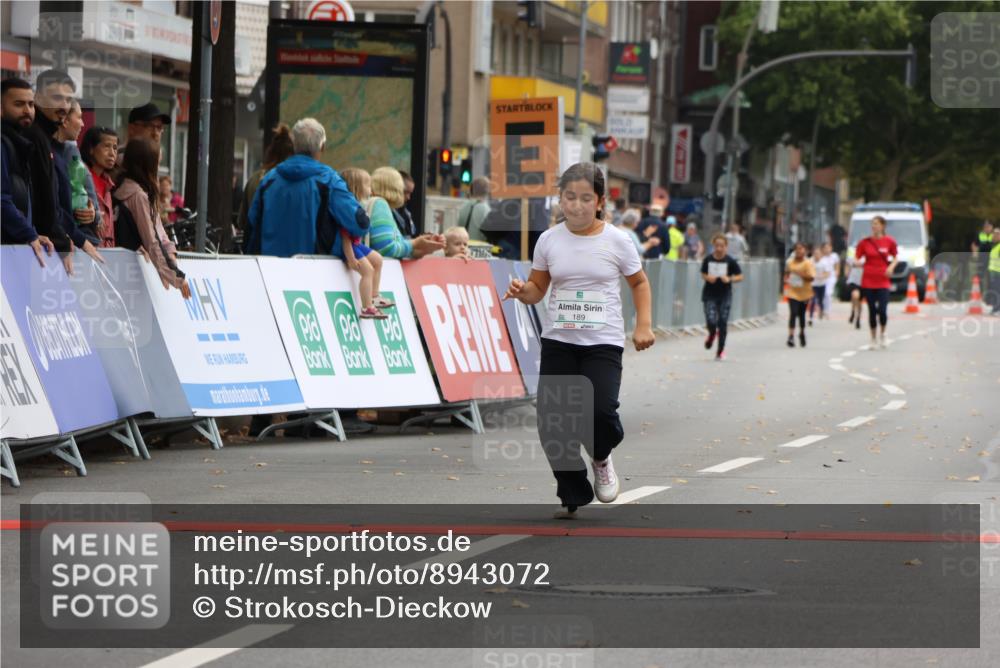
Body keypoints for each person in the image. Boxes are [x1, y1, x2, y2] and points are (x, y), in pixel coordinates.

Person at [502, 162, 655, 516]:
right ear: (560, 199)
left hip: (602, 343)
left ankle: (601, 455)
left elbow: (640, 283)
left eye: (586, 198)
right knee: (551, 421)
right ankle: (572, 490)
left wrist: (643, 325)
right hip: (559, 340)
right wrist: (522, 290)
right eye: (570, 197)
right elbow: (538, 288)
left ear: (600, 201)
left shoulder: (617, 240)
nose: (577, 205)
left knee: (600, 412)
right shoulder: (549, 240)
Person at [246, 118, 370, 258]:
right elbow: (361, 224)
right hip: (317, 270)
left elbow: (251, 227)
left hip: (270, 271)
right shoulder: (330, 181)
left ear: (293, 144)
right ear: (322, 146)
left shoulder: (268, 180)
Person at [24, 69, 102, 273]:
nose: (63, 106)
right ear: (38, 98)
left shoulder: (47, 141)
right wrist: (65, 240)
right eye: (57, 98)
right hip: (37, 252)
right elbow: (45, 201)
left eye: (68, 100)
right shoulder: (35, 138)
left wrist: (74, 238)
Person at [114, 138, 189, 298]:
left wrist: (169, 254)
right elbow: (152, 240)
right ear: (146, 164)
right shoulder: (139, 195)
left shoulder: (124, 186)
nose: (158, 169)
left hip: (120, 266)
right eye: (156, 163)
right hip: (127, 274)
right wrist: (176, 276)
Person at [1, 77, 56, 267]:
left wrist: (31, 232)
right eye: (19, 104)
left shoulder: (18, 144)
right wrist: (28, 233)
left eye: (31, 104)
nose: (27, 110)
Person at [339, 167, 393, 319]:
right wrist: (350, 258)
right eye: (368, 185)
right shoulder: (348, 209)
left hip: (357, 244)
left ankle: (374, 296)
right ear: (357, 187)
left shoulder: (356, 206)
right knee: (367, 271)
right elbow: (345, 237)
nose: (371, 189)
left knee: (377, 260)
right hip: (352, 246)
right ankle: (367, 307)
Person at [368, 166, 445, 259]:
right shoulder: (380, 205)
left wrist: (424, 248)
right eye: (402, 190)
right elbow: (387, 249)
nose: (407, 197)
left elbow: (398, 249)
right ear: (393, 188)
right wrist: (415, 243)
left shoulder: (381, 205)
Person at [236, 123, 294, 239]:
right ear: (291, 155)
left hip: (256, 249)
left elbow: (242, 222)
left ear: (271, 152)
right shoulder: (292, 181)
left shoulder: (254, 179)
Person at [57, 98, 99, 243]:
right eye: (79, 117)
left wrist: (93, 212)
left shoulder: (70, 150)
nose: (82, 124)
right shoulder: (69, 150)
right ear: (64, 120)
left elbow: (92, 201)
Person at [856, 215, 898, 349]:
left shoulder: (889, 241)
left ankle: (883, 334)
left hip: (883, 281)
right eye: (873, 224)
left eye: (877, 224)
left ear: (883, 226)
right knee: (872, 310)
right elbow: (857, 257)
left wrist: (891, 267)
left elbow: (896, 257)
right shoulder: (865, 242)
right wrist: (856, 262)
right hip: (868, 280)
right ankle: (873, 338)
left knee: (882, 310)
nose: (874, 226)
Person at [701, 233, 744, 360]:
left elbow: (740, 276)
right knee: (711, 320)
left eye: (722, 246)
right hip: (709, 294)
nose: (719, 248)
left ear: (726, 246)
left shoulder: (730, 261)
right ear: (714, 246)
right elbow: (703, 273)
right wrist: (708, 277)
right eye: (717, 246)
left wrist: (729, 279)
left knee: (723, 322)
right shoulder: (708, 259)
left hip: (725, 295)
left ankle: (720, 350)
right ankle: (712, 334)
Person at [80, 125, 118, 247]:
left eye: (115, 148)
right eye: (106, 146)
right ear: (91, 149)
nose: (112, 153)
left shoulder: (108, 185)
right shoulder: (81, 178)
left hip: (106, 258)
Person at [785, 242, 815, 348]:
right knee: (793, 313)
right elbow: (786, 273)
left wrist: (800, 274)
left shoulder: (808, 263)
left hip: (805, 293)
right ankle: (791, 336)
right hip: (793, 292)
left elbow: (812, 277)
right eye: (797, 249)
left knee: (801, 315)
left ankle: (802, 333)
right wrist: (787, 279)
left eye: (801, 249)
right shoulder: (790, 262)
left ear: (805, 250)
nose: (799, 251)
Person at [457, 176, 492, 243]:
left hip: (463, 246)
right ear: (488, 191)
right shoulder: (486, 209)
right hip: (479, 249)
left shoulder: (463, 206)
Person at [808, 245, 830, 325]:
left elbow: (827, 273)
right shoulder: (810, 261)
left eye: (818, 254)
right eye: (815, 253)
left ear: (821, 254)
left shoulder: (824, 262)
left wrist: (821, 276)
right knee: (813, 300)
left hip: (821, 284)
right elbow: (808, 271)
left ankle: (821, 310)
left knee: (820, 300)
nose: (816, 255)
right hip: (813, 284)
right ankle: (810, 317)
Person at [395, 170, 418, 238]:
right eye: (405, 192)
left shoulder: (405, 212)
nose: (408, 197)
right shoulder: (387, 212)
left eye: (410, 193)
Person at [845, 253, 864, 330]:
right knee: (855, 295)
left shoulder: (866, 258)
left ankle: (858, 317)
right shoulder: (851, 258)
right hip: (852, 281)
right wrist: (847, 274)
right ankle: (853, 311)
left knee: (859, 301)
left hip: (862, 282)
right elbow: (847, 266)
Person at [822, 241, 840, 316]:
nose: (827, 249)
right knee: (823, 294)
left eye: (828, 248)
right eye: (825, 248)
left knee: (828, 293)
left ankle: (828, 310)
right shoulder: (821, 257)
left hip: (831, 277)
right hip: (822, 277)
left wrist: (837, 273)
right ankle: (822, 308)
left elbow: (837, 265)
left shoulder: (834, 256)